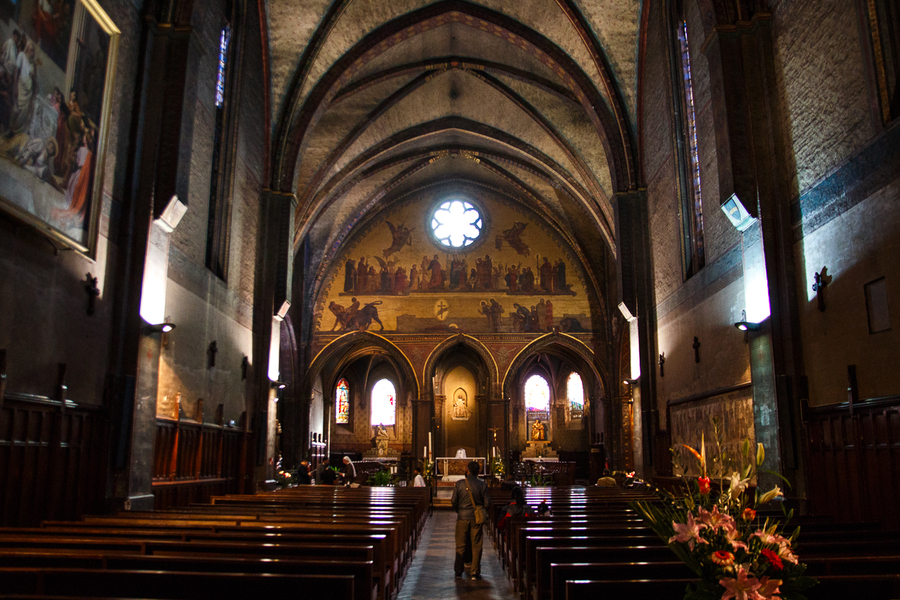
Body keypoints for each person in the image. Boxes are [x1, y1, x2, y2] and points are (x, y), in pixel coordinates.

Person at [450, 460, 490, 580]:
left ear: (467, 470)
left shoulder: (460, 484)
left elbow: (453, 501)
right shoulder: (482, 485)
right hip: (476, 518)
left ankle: (458, 570)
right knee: (476, 544)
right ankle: (475, 571)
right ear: (478, 471)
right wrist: (480, 509)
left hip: (462, 517)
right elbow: (487, 503)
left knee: (461, 544)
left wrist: (460, 510)